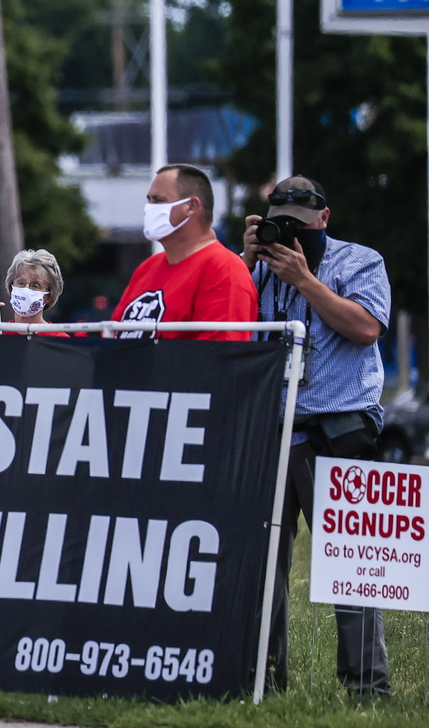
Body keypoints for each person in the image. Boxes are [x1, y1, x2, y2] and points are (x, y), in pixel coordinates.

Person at [243, 176, 391, 696]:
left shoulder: (359, 262)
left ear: (324, 218)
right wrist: (245, 263)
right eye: (282, 225)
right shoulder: (258, 271)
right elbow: (228, 329)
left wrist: (306, 280)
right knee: (263, 563)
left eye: (302, 227)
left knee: (352, 566)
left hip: (340, 427)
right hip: (274, 428)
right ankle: (263, 681)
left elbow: (366, 328)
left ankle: (367, 688)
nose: (293, 236)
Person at [112, 164, 256, 340]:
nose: (148, 208)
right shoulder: (147, 268)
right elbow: (114, 336)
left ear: (191, 206)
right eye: (149, 200)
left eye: (158, 200)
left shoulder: (224, 268)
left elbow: (220, 356)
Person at [0, 249, 71, 336]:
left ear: (48, 297)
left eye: (35, 285)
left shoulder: (59, 340)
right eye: (21, 283)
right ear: (11, 287)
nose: (26, 289)